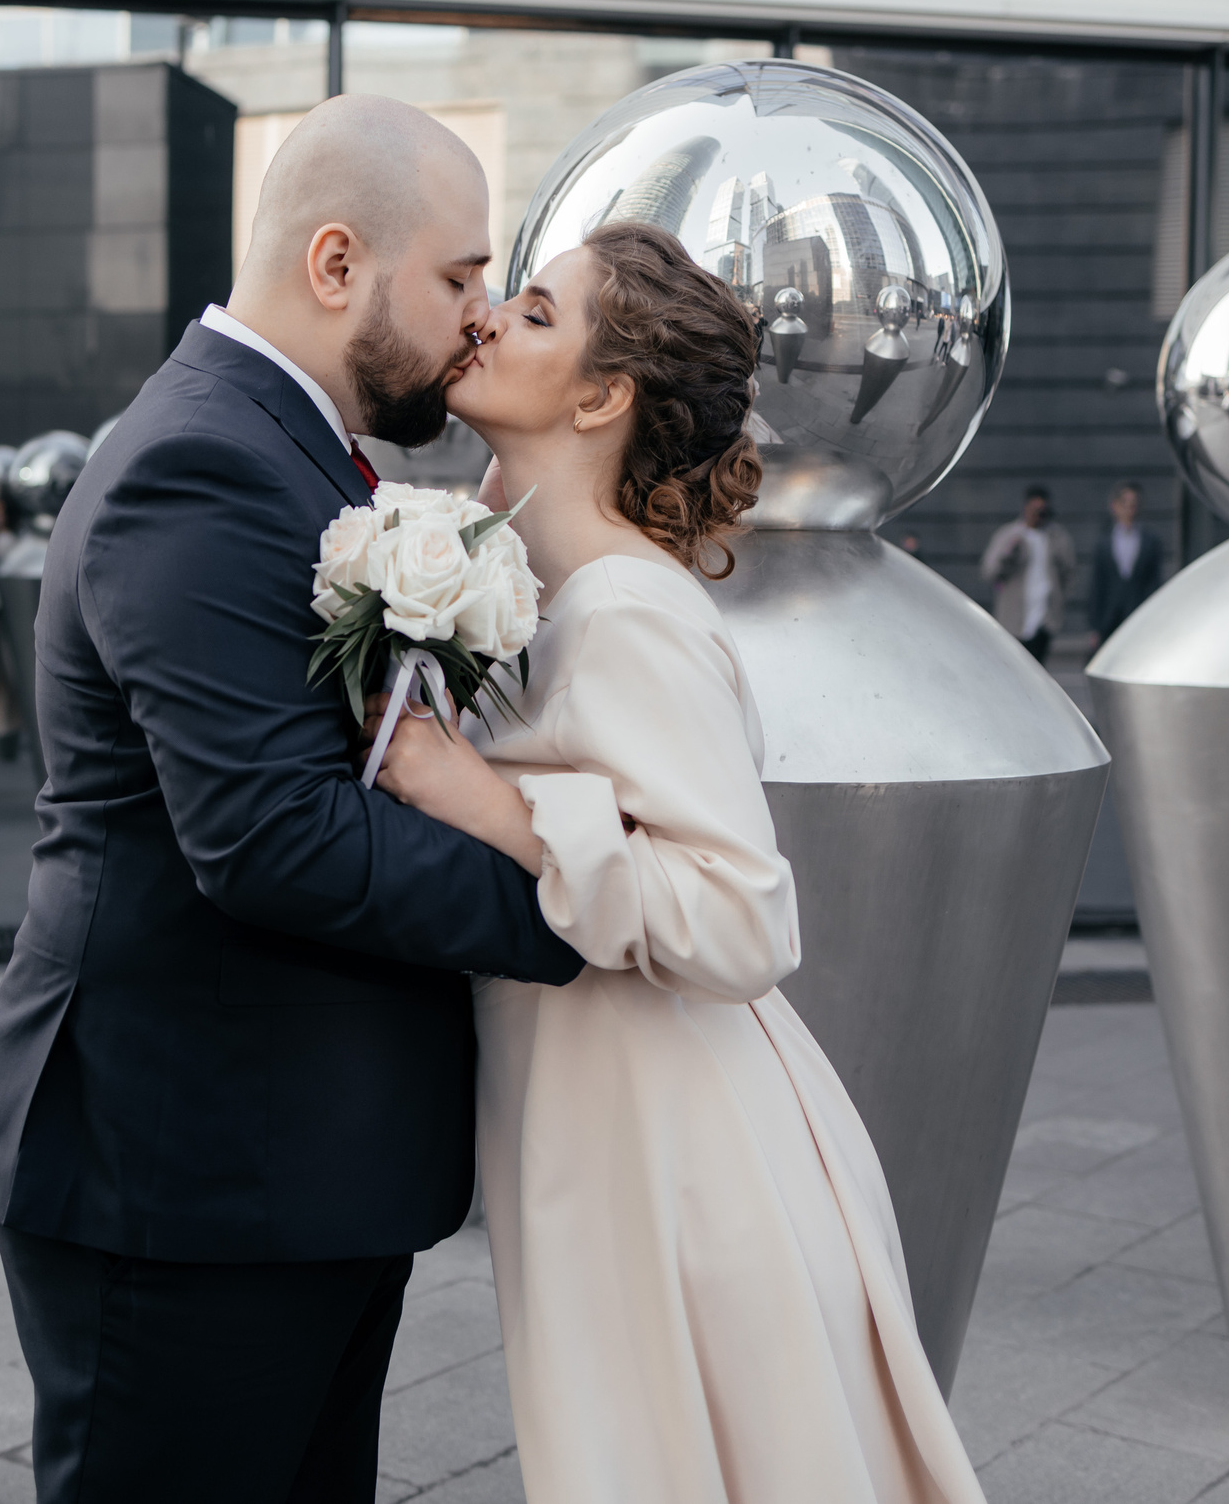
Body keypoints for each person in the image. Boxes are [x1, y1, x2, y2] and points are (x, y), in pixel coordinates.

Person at [0, 93, 583, 1504]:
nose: (480, 316)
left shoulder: (282, 448)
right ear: (336, 264)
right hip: (181, 1184)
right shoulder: (202, 461)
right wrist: (582, 901)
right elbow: (272, 835)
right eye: (461, 275)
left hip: (280, 1174)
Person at [370, 222, 983, 1504]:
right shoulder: (528, 577)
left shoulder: (629, 609)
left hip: (674, 1152)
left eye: (534, 313)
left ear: (601, 395)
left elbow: (742, 916)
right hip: (595, 1125)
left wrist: (480, 796)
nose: (485, 320)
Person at [980, 484, 1076, 662]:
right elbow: (990, 571)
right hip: (1014, 618)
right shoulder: (1010, 534)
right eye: (1034, 509)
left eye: (1042, 510)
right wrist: (1009, 554)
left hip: (1045, 619)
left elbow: (1068, 571)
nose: (1038, 515)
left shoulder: (1056, 537)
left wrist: (1059, 599)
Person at [1087, 479, 1165, 650]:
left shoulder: (1150, 541)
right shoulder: (1104, 542)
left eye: (1134, 503)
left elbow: (1154, 582)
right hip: (1109, 617)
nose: (1130, 508)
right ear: (1115, 506)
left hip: (1138, 615)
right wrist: (1094, 626)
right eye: (1125, 503)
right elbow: (1097, 584)